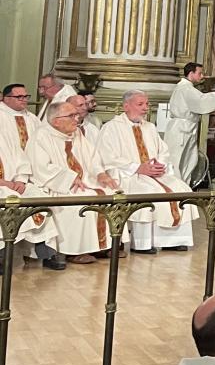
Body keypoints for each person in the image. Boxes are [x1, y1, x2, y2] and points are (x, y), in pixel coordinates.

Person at [99, 91, 198, 253]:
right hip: (127, 175)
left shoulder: (150, 127)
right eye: (140, 104)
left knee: (181, 189)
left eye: (147, 104)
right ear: (126, 106)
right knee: (148, 192)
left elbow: (163, 151)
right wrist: (138, 168)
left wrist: (159, 164)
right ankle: (142, 243)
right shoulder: (111, 128)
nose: (145, 108)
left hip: (155, 174)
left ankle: (172, 240)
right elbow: (106, 157)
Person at [29, 102, 121, 263]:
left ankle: (103, 247)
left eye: (76, 115)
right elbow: (40, 167)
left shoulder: (77, 133)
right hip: (57, 185)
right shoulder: (41, 135)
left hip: (85, 180)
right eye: (71, 116)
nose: (77, 119)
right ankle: (75, 250)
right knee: (80, 202)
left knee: (112, 193)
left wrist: (101, 174)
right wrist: (69, 178)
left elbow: (92, 157)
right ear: (56, 120)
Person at [0, 95, 62, 269]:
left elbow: (21, 160)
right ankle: (1, 256)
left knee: (38, 197)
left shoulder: (4, 137)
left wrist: (20, 180)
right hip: (4, 188)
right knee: (8, 199)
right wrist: (5, 184)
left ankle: (47, 252)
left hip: (13, 184)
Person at [165, 63, 215, 186]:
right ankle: (176, 190)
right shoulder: (185, 88)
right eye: (199, 73)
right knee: (177, 161)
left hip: (187, 127)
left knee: (189, 160)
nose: (201, 76)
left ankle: (183, 188)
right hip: (181, 129)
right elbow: (201, 102)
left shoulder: (187, 87)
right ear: (191, 74)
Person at [2, 82, 39, 148]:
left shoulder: (32, 118)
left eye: (26, 96)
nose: (24, 100)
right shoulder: (1, 115)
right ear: (6, 99)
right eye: (19, 97)